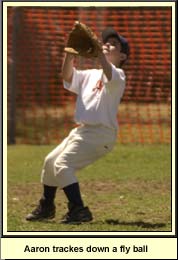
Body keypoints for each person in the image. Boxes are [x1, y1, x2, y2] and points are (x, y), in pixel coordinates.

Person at [26, 27, 130, 224]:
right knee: (50, 162)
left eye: (114, 44)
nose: (108, 44)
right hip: (82, 131)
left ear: (123, 55)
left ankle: (79, 209)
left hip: (101, 134)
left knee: (62, 165)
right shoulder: (90, 74)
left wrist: (99, 53)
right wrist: (69, 53)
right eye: (106, 42)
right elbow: (67, 76)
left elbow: (108, 71)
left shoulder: (118, 75)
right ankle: (47, 206)